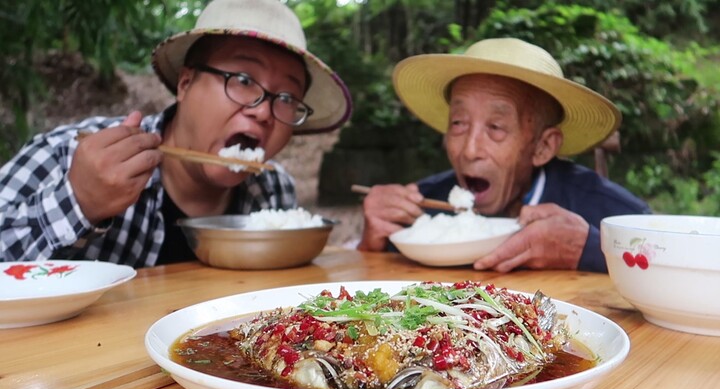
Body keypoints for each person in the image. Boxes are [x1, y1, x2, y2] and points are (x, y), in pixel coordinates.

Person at [0, 0, 351, 267]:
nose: (262, 111)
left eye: (287, 98)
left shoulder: (273, 188)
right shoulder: (70, 154)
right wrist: (78, 202)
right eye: (243, 81)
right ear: (185, 83)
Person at [358, 38, 650, 273]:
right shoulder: (421, 206)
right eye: (458, 123)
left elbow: (678, 266)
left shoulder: (608, 211)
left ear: (542, 147)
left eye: (496, 127)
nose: (469, 150)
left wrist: (588, 250)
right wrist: (373, 241)